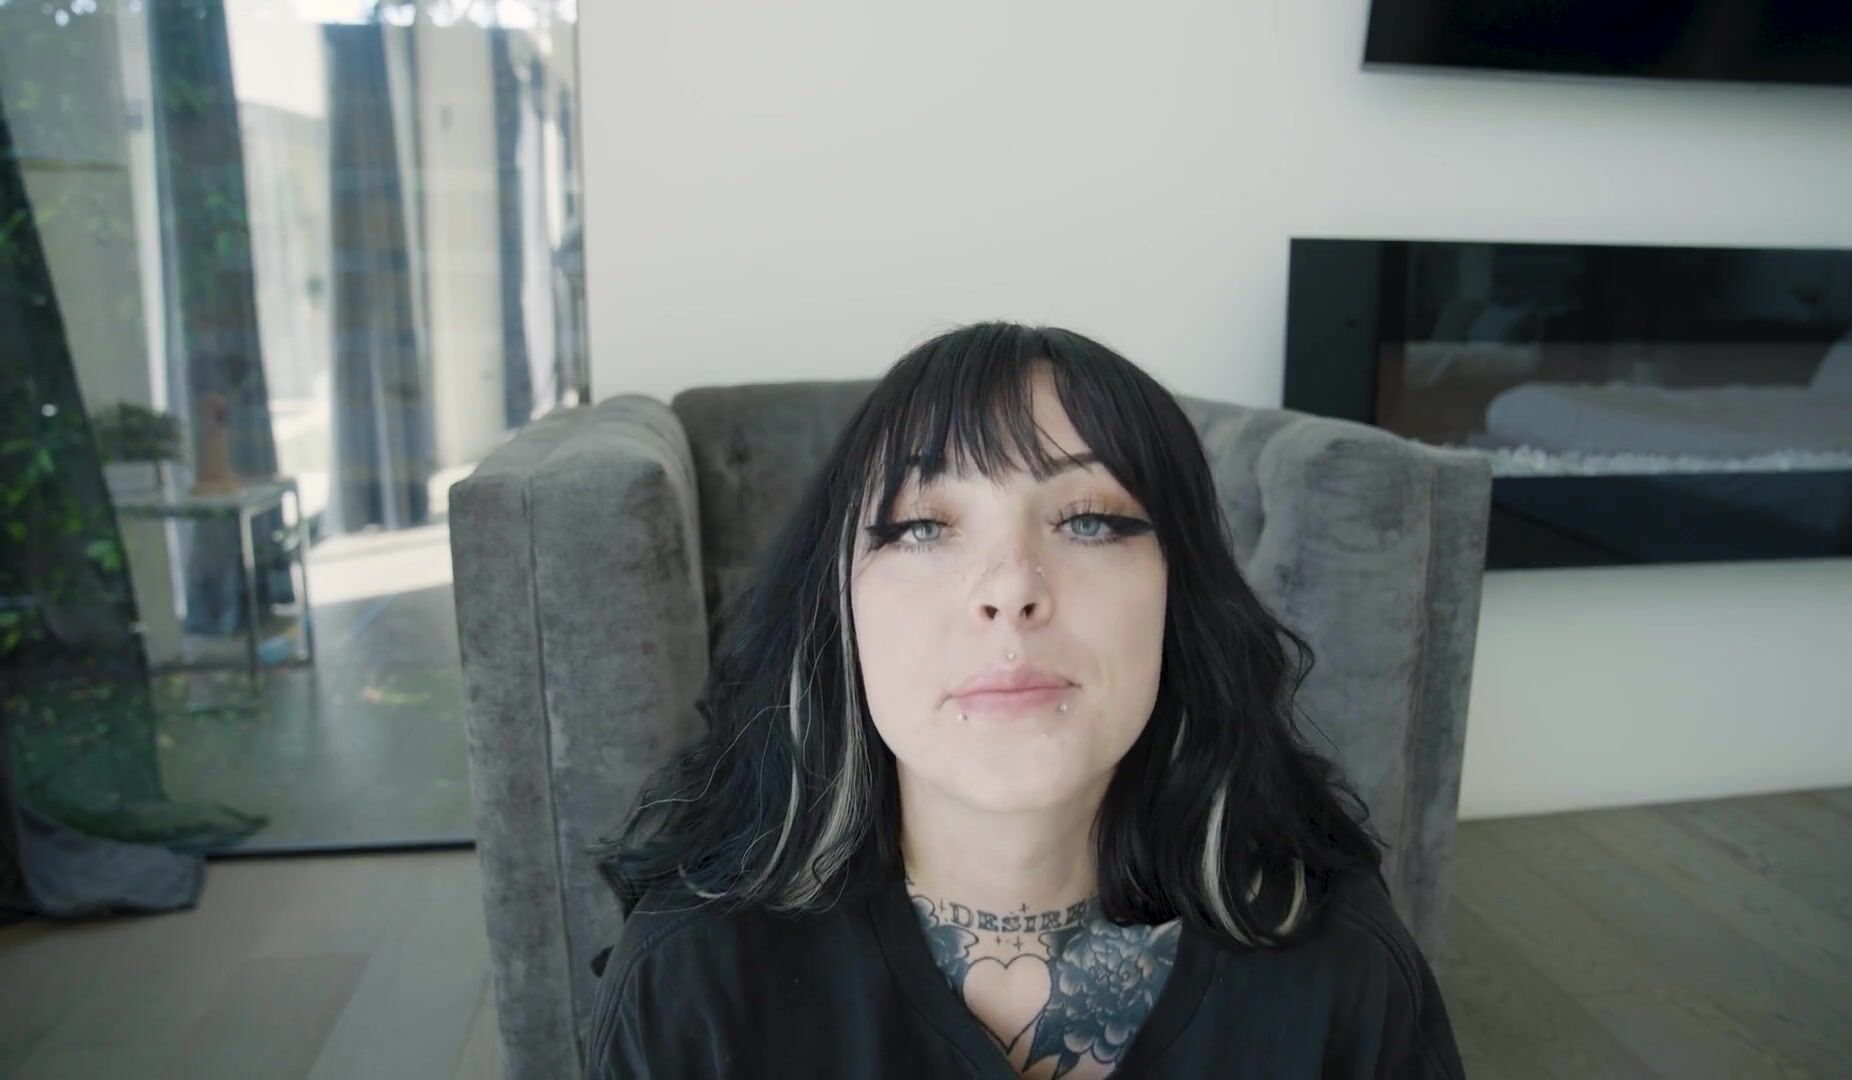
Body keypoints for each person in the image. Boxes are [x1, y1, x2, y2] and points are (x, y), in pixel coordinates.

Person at [585, 321, 1465, 1078]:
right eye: (922, 526)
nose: (1010, 588)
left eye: (1090, 520)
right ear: (839, 612)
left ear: (1181, 598)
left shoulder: (1344, 973)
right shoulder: (691, 980)